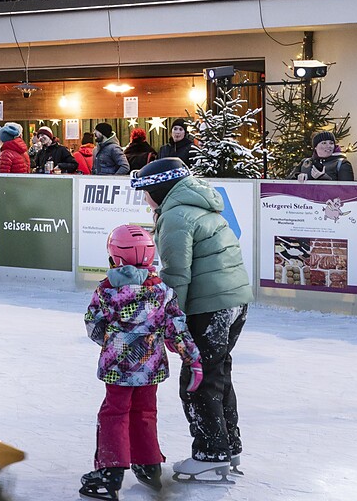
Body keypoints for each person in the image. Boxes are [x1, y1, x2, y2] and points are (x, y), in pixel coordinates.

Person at [132, 156, 249, 481]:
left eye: (145, 192)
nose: (144, 199)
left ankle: (211, 453)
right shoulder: (200, 205)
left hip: (209, 305)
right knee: (217, 372)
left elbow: (176, 274)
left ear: (160, 188)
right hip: (235, 301)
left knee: (197, 380)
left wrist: (173, 320)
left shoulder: (175, 216)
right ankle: (228, 446)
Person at [80, 223, 201, 500]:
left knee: (114, 413)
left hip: (118, 370)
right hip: (151, 368)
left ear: (116, 257)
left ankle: (110, 472)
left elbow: (93, 324)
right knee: (146, 412)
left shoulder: (106, 291)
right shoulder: (162, 291)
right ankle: (149, 465)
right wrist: (191, 358)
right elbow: (176, 328)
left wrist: (113, 344)